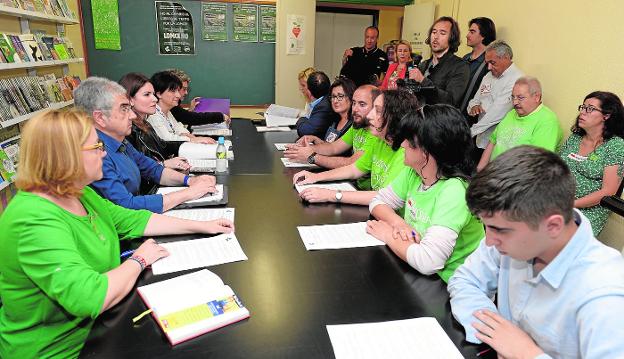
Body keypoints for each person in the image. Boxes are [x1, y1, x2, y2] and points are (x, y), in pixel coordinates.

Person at [0, 110, 234, 358]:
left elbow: (134, 220)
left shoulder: (80, 193)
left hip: (100, 328)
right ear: (66, 156)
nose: (104, 153)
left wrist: (202, 226)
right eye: (97, 146)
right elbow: (90, 297)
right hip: (62, 350)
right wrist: (139, 260)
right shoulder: (33, 218)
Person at [448, 145, 624, 358]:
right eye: (487, 226)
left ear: (553, 226)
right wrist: (498, 332)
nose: (490, 241)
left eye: (499, 230)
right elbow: (465, 280)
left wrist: (527, 353)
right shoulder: (514, 234)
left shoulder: (606, 298)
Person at [366, 104, 484, 282]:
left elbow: (429, 262)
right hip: (421, 273)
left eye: (409, 140)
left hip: (453, 286)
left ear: (429, 148)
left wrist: (388, 234)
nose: (403, 145)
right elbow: (378, 201)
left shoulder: (455, 190)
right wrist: (399, 224)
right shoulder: (414, 171)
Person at [74, 76, 216, 213]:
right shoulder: (96, 153)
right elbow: (126, 206)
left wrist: (190, 181)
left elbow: (152, 169)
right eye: (124, 109)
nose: (133, 115)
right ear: (100, 117)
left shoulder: (120, 141)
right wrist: (188, 193)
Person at [292, 89, 419, 205]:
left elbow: (385, 197)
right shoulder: (380, 141)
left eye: (378, 111)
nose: (370, 116)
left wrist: (331, 195)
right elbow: (354, 169)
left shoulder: (407, 153)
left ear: (395, 117)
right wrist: (315, 177)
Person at [284, 85, 379, 190]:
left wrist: (312, 156)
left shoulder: (376, 134)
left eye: (362, 104)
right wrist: (305, 150)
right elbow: (334, 147)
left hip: (365, 190)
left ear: (377, 108)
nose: (355, 109)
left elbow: (351, 164)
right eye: (354, 103)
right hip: (354, 185)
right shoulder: (357, 125)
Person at [559, 91, 624, 235]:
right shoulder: (575, 138)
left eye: (590, 108)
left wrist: (570, 205)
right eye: (582, 107)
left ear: (606, 115)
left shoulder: (616, 146)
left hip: (585, 214)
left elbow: (609, 191)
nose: (582, 112)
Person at [477, 76, 563, 171]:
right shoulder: (511, 113)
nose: (515, 102)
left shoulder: (547, 121)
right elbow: (493, 142)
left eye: (520, 98)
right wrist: (480, 171)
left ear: (536, 97)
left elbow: (537, 163)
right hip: (492, 175)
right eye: (513, 97)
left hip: (515, 182)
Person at [119, 72, 189, 172]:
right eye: (147, 95)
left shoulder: (144, 123)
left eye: (153, 94)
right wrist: (163, 164)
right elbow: (133, 168)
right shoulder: (127, 130)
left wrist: (191, 144)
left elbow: (163, 146)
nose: (155, 99)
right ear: (130, 99)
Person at [468, 40, 523, 160]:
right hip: (479, 139)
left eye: (492, 63)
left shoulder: (516, 79)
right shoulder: (488, 76)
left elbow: (496, 114)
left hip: (497, 144)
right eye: (487, 63)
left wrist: (469, 133)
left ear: (506, 58)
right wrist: (473, 107)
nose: (488, 67)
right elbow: (474, 100)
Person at [408, 16, 470, 107]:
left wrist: (423, 80)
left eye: (442, 33)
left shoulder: (460, 66)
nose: (436, 37)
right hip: (417, 118)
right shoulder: (424, 64)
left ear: (452, 38)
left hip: (438, 120)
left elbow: (451, 101)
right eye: (434, 32)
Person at [147, 71, 215, 144]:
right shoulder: (153, 115)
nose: (178, 95)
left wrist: (189, 136)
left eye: (178, 91)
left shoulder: (167, 112)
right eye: (173, 91)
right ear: (159, 94)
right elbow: (167, 139)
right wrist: (191, 139)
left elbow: (179, 129)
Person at [459, 17, 496, 118]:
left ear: (483, 35)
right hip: (455, 115)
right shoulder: (465, 58)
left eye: (472, 32)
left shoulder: (489, 63)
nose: (467, 35)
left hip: (472, 118)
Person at [295, 71, 339, 138]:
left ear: (309, 89)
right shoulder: (323, 101)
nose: (301, 89)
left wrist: (301, 119)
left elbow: (306, 131)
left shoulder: (323, 106)